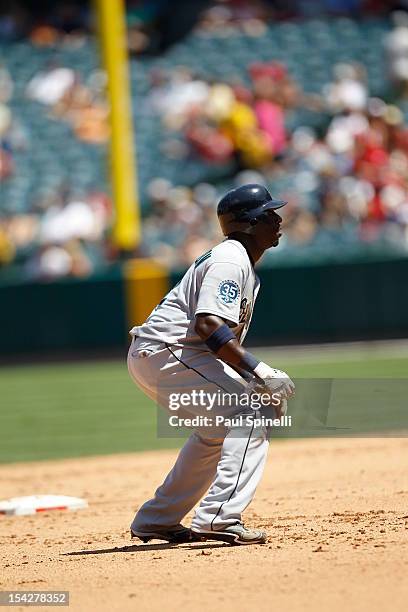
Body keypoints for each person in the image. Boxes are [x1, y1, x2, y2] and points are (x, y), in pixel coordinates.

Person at [127, 183, 295, 546]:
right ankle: (220, 517)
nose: (277, 219)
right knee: (252, 413)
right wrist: (260, 372)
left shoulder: (238, 260)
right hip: (168, 352)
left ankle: (158, 519)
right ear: (250, 223)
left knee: (215, 433)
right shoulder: (230, 259)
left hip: (166, 354)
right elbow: (208, 325)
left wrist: (252, 377)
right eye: (269, 214)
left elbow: (212, 337)